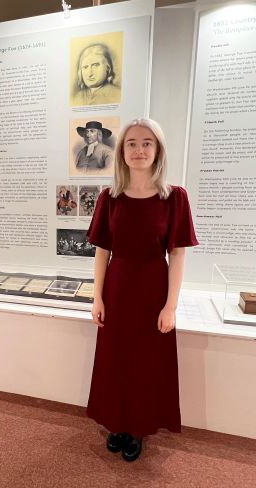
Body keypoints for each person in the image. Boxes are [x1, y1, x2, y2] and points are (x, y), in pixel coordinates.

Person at [86, 118, 198, 462]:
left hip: (153, 289)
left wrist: (171, 306)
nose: (139, 150)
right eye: (131, 143)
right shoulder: (110, 198)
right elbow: (102, 250)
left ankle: (138, 428)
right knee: (116, 360)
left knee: (147, 364)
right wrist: (97, 297)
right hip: (118, 289)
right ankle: (118, 424)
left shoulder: (174, 197)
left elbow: (177, 254)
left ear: (158, 149)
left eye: (147, 143)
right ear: (121, 151)